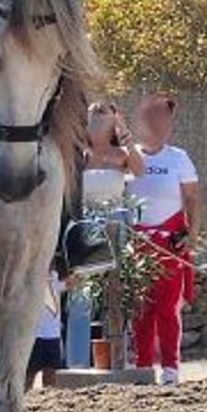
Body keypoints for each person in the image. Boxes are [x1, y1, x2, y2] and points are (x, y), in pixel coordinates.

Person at [126, 93, 200, 386]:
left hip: (169, 241)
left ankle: (170, 366)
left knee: (168, 308)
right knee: (141, 308)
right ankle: (143, 364)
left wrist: (191, 234)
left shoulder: (178, 158)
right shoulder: (130, 157)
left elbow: (192, 198)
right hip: (137, 242)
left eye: (165, 120)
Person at [65, 102, 144, 367]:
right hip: (85, 224)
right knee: (81, 297)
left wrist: (123, 131)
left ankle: (119, 357)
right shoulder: (80, 154)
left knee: (117, 292)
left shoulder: (121, 154)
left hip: (115, 223)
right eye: (94, 113)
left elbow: (139, 169)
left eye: (104, 113)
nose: (98, 117)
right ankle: (77, 363)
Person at [25, 269, 64, 390]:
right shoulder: (29, 272)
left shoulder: (55, 274)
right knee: (30, 372)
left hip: (53, 332)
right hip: (33, 332)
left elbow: (64, 285)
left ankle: (48, 397)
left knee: (51, 371)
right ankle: (21, 398)